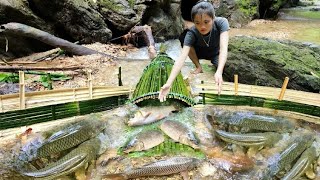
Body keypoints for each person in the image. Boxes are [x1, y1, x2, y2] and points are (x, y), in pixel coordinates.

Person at [158, 0, 229, 102]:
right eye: (197, 23)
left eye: (206, 22)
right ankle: (198, 67)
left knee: (225, 69)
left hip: (215, 53)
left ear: (213, 18)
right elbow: (181, 59)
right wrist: (169, 83)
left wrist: (219, 71)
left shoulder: (222, 23)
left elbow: (224, 49)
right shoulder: (191, 33)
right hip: (199, 52)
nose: (202, 27)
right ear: (193, 22)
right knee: (184, 40)